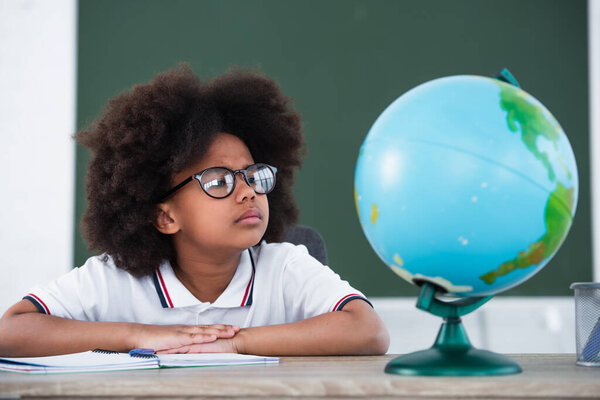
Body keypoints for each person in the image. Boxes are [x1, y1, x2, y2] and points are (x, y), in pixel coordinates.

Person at [0, 65, 389, 357]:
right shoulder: (113, 278)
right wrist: (137, 335)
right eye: (219, 181)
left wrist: (236, 343)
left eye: (253, 175)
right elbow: (11, 331)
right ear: (165, 216)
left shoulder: (283, 266)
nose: (247, 192)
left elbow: (368, 331)